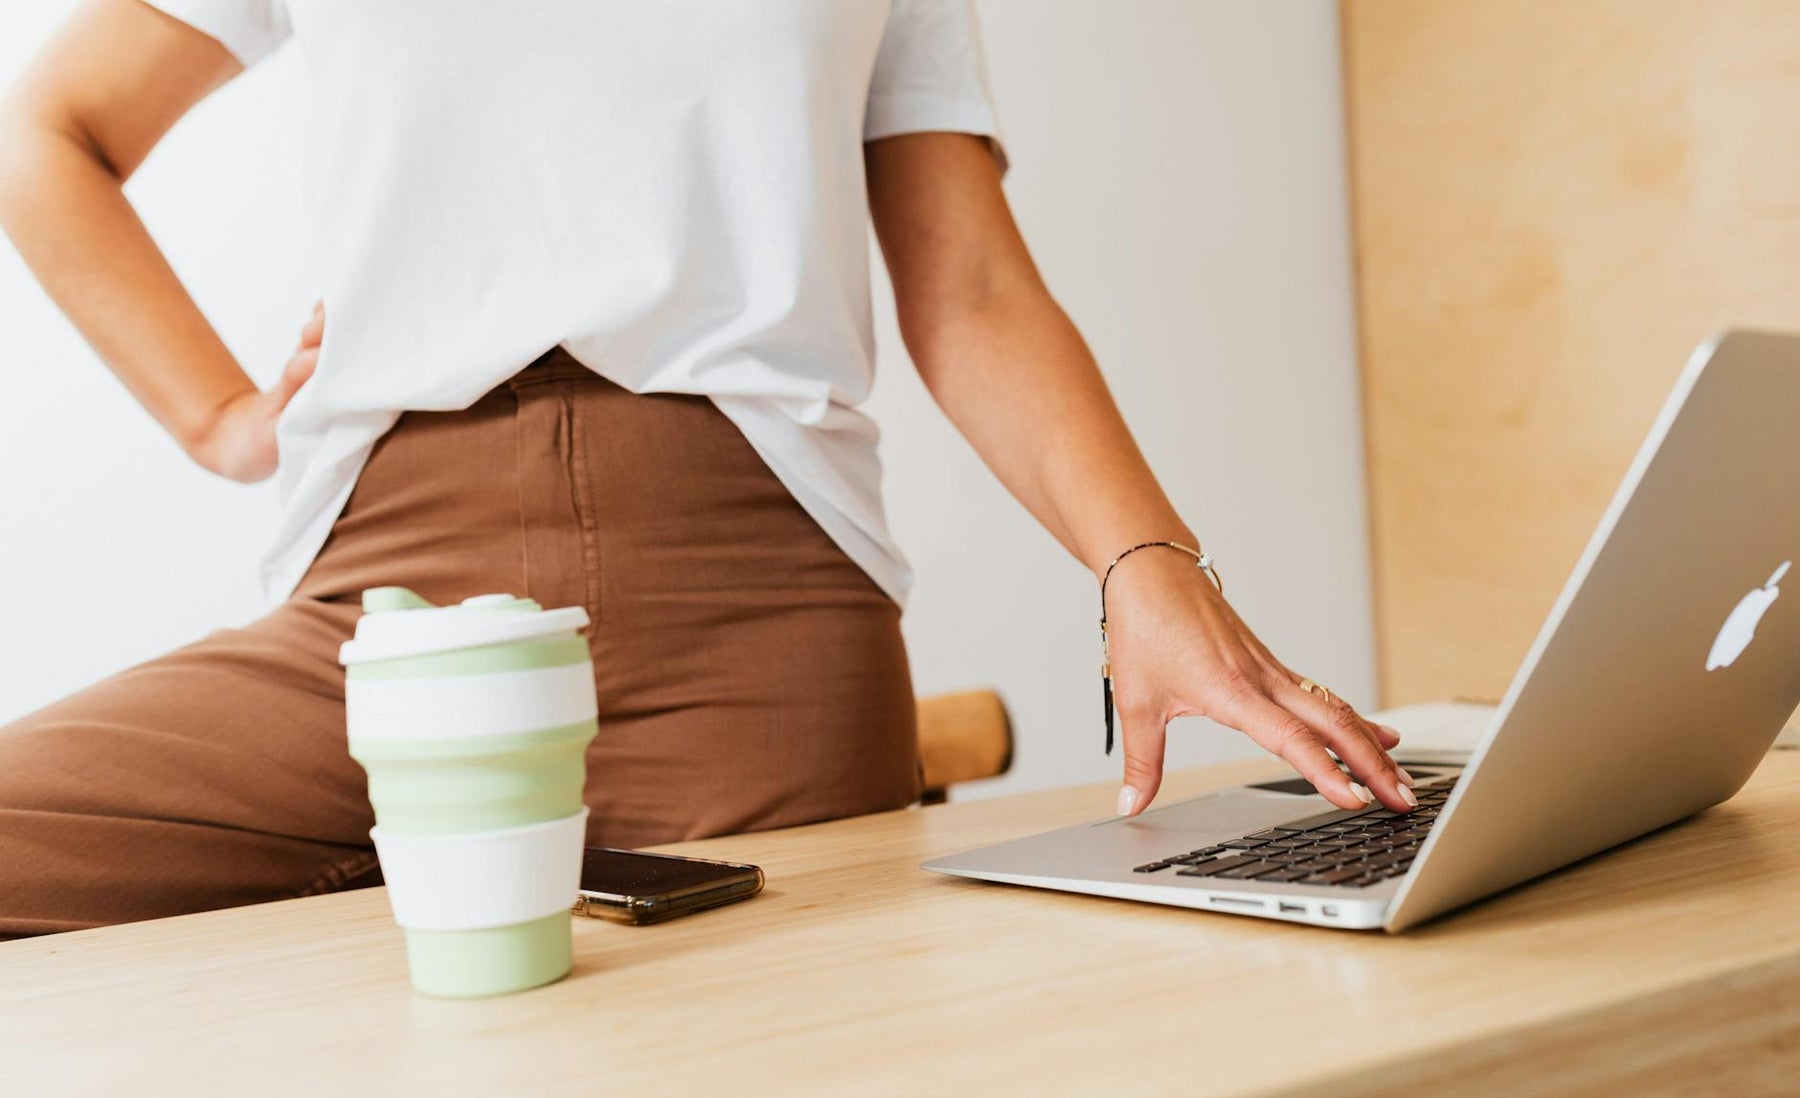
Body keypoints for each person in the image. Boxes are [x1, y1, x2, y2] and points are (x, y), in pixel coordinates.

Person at [0, 0, 1411, 937]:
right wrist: (219, 419)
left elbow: (969, 284)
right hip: (390, 616)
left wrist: (1144, 565)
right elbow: (45, 133)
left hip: (763, 607)